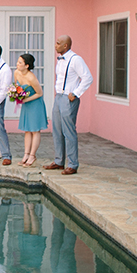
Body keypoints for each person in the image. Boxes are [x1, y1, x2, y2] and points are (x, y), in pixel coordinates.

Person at [43, 35, 93, 175]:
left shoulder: (76, 59)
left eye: (58, 43)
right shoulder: (60, 61)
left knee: (69, 131)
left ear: (65, 46)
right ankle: (59, 161)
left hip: (68, 98)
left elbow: (88, 77)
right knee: (57, 130)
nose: (55, 45)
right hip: (58, 97)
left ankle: (72, 164)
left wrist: (76, 93)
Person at [14, 53, 48, 167]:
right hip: (26, 105)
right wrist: (16, 95)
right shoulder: (16, 73)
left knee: (35, 130)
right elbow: (16, 87)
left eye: (20, 63)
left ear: (27, 65)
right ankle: (26, 154)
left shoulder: (31, 77)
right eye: (18, 62)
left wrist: (25, 100)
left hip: (35, 104)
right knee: (27, 130)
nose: (17, 64)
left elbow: (39, 93)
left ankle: (32, 155)